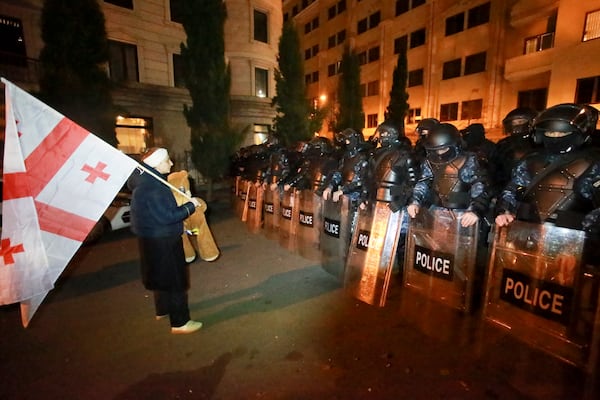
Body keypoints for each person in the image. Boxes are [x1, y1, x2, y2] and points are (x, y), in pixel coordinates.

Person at [127, 147, 203, 334]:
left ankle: (163, 310)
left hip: (150, 237)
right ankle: (180, 322)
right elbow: (167, 216)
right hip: (164, 240)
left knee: (160, 276)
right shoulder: (154, 187)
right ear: (157, 163)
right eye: (167, 160)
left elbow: (155, 214)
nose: (171, 163)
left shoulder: (146, 181)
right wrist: (190, 206)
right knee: (175, 279)